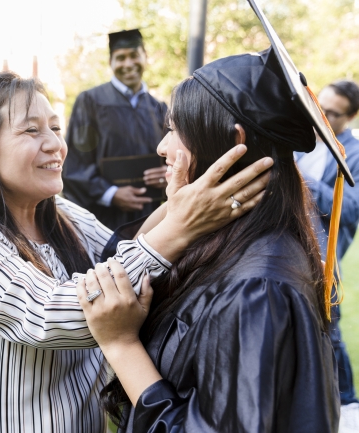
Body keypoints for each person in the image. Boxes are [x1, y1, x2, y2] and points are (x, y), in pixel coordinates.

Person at [0, 70, 272, 432]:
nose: (55, 145)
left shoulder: (63, 216)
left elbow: (123, 254)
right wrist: (181, 225)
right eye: (31, 130)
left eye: (55, 128)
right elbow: (62, 315)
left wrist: (182, 194)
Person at [75, 4, 349, 430]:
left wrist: (121, 344)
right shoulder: (232, 244)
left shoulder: (258, 291)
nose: (162, 147)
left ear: (231, 143)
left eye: (175, 130)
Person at [295, 80, 359, 433]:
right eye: (320, 104)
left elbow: (350, 208)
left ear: (350, 117)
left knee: (330, 331)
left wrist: (303, 180)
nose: (321, 114)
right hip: (291, 249)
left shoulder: (354, 152)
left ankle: (348, 405)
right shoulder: (302, 142)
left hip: (325, 256)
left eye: (332, 112)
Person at [62, 29, 168, 230]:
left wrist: (168, 175)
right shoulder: (90, 102)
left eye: (134, 56)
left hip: (150, 221)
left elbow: (173, 158)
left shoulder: (159, 108)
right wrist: (110, 194)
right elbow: (75, 164)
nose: (128, 64)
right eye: (120, 58)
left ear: (145, 57)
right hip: (103, 222)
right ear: (111, 62)